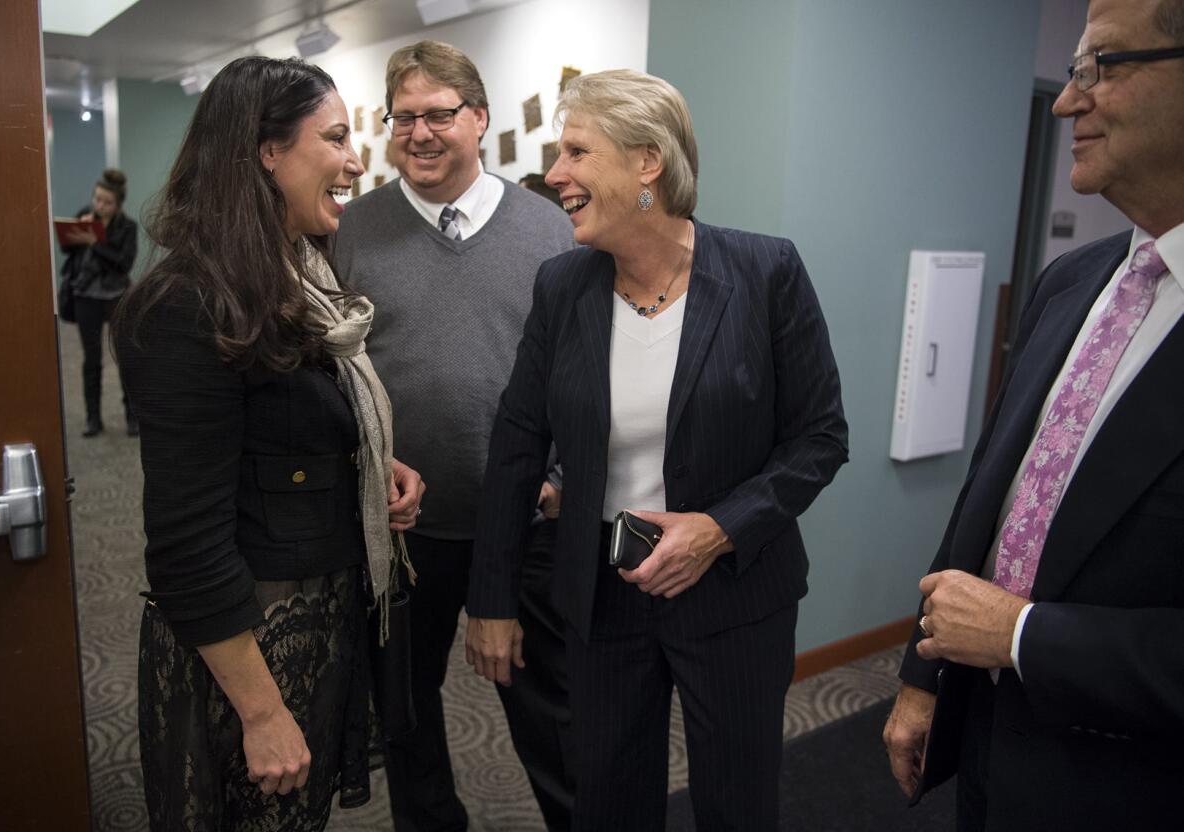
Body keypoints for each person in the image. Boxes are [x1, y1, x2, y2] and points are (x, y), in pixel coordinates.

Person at [465, 69, 848, 831]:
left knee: (736, 803)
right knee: (607, 800)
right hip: (601, 594)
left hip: (737, 595)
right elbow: (516, 444)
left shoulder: (765, 272)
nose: (555, 175)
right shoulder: (563, 286)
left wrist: (719, 528)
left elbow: (819, 437)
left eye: (577, 151)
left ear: (648, 162)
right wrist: (492, 597)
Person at [882, 1, 1184, 829]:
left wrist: (1022, 636)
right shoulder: (1074, 281)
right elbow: (989, 496)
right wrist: (922, 675)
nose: (1064, 100)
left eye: (1100, 67)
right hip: (987, 745)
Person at [114, 56, 424, 831]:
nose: (358, 161)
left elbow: (279, 428)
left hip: (313, 625)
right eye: (338, 137)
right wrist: (260, 713)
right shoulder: (190, 305)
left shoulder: (299, 277)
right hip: (247, 659)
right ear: (267, 152)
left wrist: (365, 463)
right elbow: (185, 544)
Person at [333, 40, 577, 832]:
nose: (420, 132)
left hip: (526, 523)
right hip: (403, 530)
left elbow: (588, 370)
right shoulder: (351, 231)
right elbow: (327, 369)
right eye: (403, 117)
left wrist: (564, 475)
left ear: (479, 119)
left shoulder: (549, 230)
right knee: (403, 711)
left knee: (551, 713)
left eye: (439, 114)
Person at [59, 168, 138, 437]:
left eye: (106, 202)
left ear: (117, 205)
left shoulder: (127, 227)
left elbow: (123, 263)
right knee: (91, 358)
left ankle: (132, 416)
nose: (100, 205)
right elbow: (66, 249)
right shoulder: (85, 215)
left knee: (125, 356)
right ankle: (93, 418)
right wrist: (77, 233)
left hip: (116, 296)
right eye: (97, 199)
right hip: (85, 296)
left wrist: (94, 242)